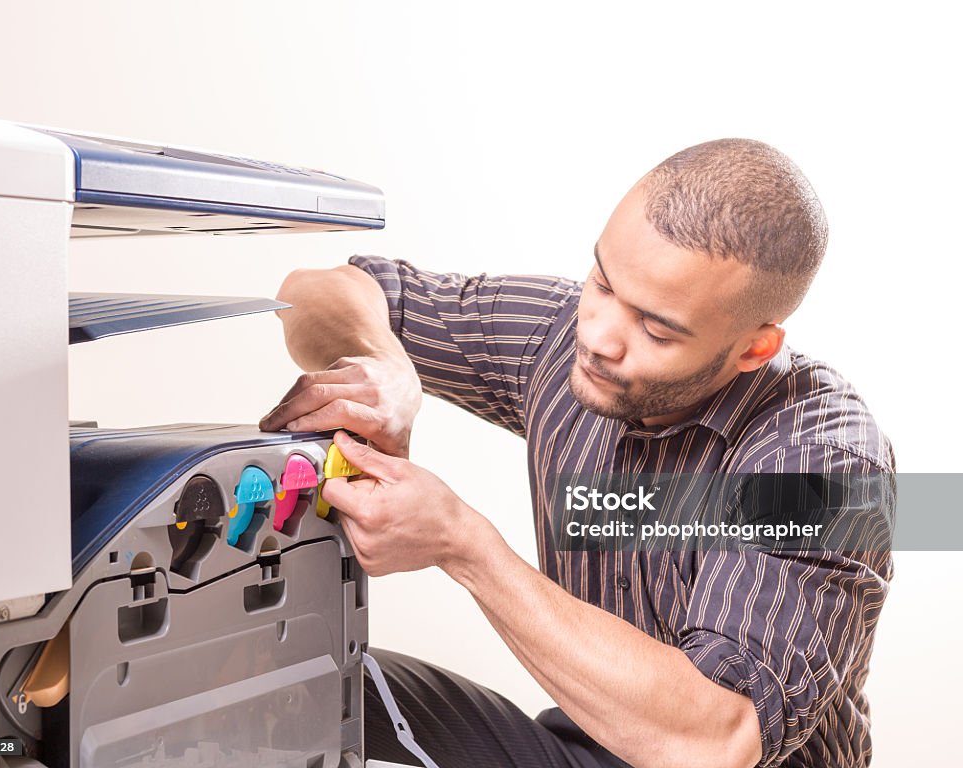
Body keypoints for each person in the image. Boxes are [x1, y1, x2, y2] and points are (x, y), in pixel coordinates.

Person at [259, 139, 894, 768]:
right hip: (587, 744)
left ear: (754, 349)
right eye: (602, 280)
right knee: (292, 687)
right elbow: (317, 290)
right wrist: (382, 363)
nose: (596, 335)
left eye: (655, 329)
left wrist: (462, 544)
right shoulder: (560, 335)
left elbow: (712, 744)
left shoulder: (828, 461)